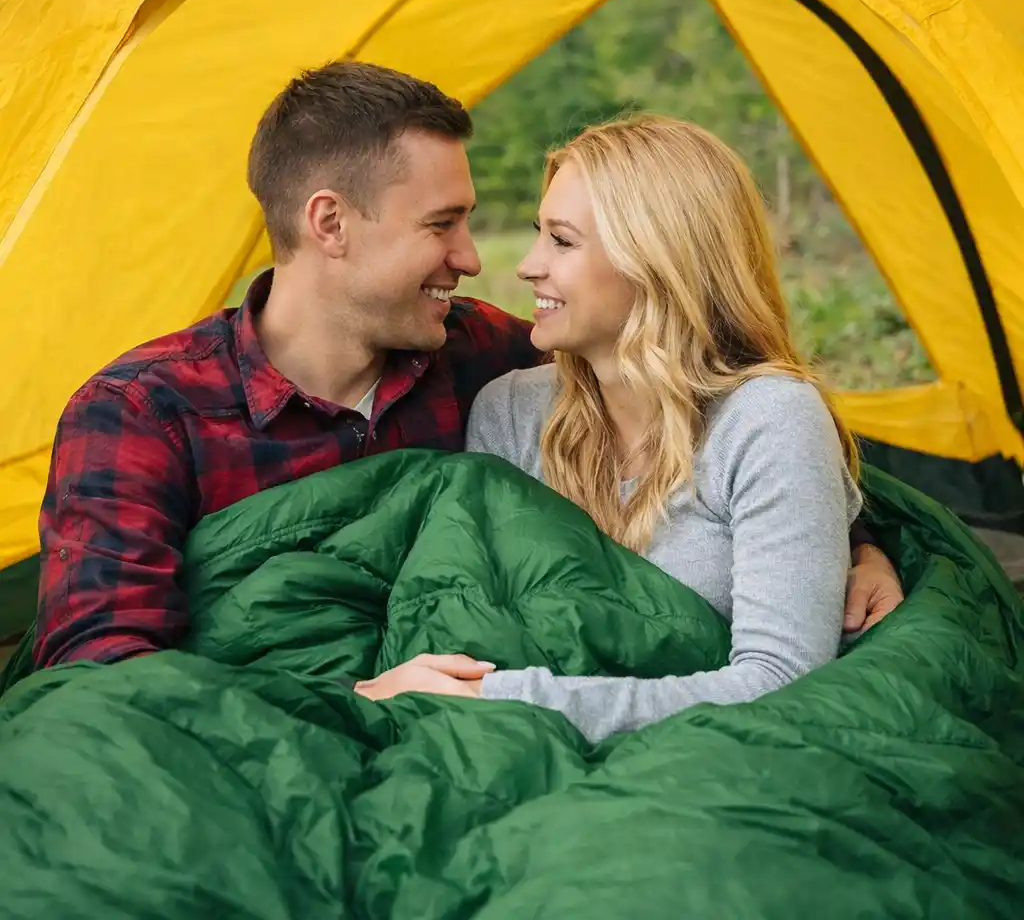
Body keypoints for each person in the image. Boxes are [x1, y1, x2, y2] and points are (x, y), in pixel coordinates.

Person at [35, 62, 900, 672]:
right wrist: (347, 703)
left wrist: (851, 547)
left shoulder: (479, 355)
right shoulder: (143, 414)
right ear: (330, 224)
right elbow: (104, 669)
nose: (476, 259)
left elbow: (707, 398)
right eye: (441, 225)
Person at [355, 115, 880, 743]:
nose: (527, 266)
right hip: (521, 753)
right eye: (538, 235)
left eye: (562, 241)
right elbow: (479, 621)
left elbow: (782, 681)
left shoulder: (767, 420)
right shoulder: (511, 413)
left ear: (656, 259)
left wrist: (497, 697)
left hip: (705, 759)